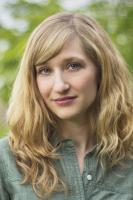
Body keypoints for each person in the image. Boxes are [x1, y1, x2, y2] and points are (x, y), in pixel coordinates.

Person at [0, 12, 133, 200]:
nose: (60, 85)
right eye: (45, 70)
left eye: (73, 66)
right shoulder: (6, 160)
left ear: (102, 70)